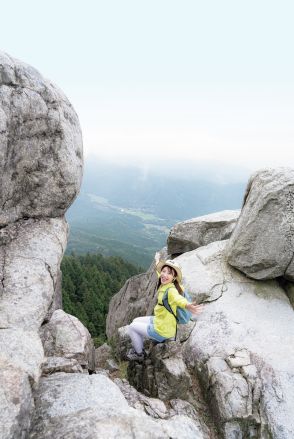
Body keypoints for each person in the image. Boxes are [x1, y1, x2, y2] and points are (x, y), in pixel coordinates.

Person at [126, 259, 204, 361]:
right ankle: (140, 342)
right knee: (135, 320)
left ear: (174, 278)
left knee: (131, 327)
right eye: (164, 271)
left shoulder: (171, 290)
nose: (165, 275)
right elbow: (160, 274)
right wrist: (158, 260)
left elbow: (178, 299)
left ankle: (140, 354)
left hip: (162, 330)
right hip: (160, 320)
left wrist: (187, 305)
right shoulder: (165, 282)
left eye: (169, 273)